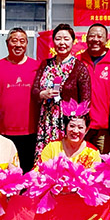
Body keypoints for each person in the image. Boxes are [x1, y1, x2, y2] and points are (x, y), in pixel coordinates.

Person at [31, 23, 91, 161]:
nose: (62, 43)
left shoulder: (80, 68)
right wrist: (42, 94)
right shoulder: (45, 64)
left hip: (68, 123)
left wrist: (77, 124)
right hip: (47, 121)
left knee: (65, 159)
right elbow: (34, 91)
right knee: (46, 159)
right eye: (58, 39)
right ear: (53, 42)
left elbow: (86, 100)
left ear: (73, 41)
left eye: (66, 39)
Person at [0, 28, 39, 172]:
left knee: (28, 172)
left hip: (31, 130)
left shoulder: (37, 66)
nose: (18, 45)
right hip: (4, 130)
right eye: (14, 41)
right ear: (7, 43)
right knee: (5, 171)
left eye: (22, 41)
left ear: (27, 44)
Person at [79, 23, 110, 154]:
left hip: (104, 127)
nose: (95, 39)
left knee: (102, 162)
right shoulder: (78, 60)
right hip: (81, 125)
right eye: (92, 36)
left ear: (107, 40)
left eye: (100, 36)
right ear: (86, 38)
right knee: (80, 161)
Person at [38, 100, 101, 168]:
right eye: (72, 126)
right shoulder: (52, 148)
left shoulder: (93, 153)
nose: (75, 131)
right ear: (65, 127)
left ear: (86, 130)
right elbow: (39, 170)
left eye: (80, 127)